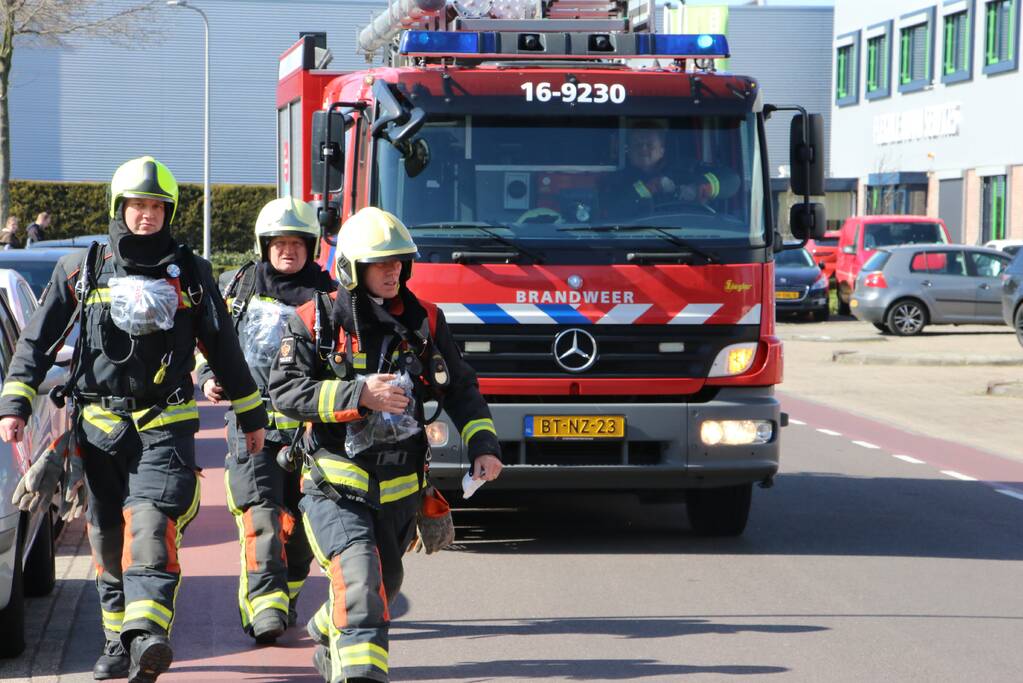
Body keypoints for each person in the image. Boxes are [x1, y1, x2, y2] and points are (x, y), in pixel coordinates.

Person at [0, 156, 267, 683]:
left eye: (156, 207)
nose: (146, 216)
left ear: (169, 213)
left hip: (165, 423)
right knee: (104, 534)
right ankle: (116, 641)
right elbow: (36, 340)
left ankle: (147, 634)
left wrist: (249, 411)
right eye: (137, 206)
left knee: (149, 520)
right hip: (98, 428)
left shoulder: (191, 271)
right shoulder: (82, 268)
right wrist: (15, 403)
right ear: (119, 209)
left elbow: (223, 346)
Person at [268, 207, 503, 683]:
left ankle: (329, 625)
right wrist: (360, 395)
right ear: (353, 269)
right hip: (334, 488)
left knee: (383, 584)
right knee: (360, 583)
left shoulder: (426, 322)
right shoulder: (315, 322)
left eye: (399, 262)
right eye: (381, 263)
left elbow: (460, 388)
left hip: (400, 493)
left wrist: (485, 446)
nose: (393, 271)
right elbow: (286, 393)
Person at [197, 196, 335, 644]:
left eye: (297, 243)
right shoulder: (238, 287)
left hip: (310, 433)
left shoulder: (331, 297)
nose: (288, 251)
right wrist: (209, 378)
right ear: (264, 244)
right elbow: (211, 344)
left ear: (311, 247)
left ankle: (284, 594)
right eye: (279, 242)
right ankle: (264, 608)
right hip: (252, 428)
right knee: (262, 518)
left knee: (300, 531)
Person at [601, 119, 740, 219]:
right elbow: (610, 212)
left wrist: (703, 188)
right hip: (635, 241)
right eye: (637, 145)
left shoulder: (686, 169)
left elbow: (733, 180)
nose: (643, 149)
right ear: (628, 152)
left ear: (662, 150)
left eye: (649, 144)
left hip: (690, 238)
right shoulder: (614, 181)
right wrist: (649, 188)